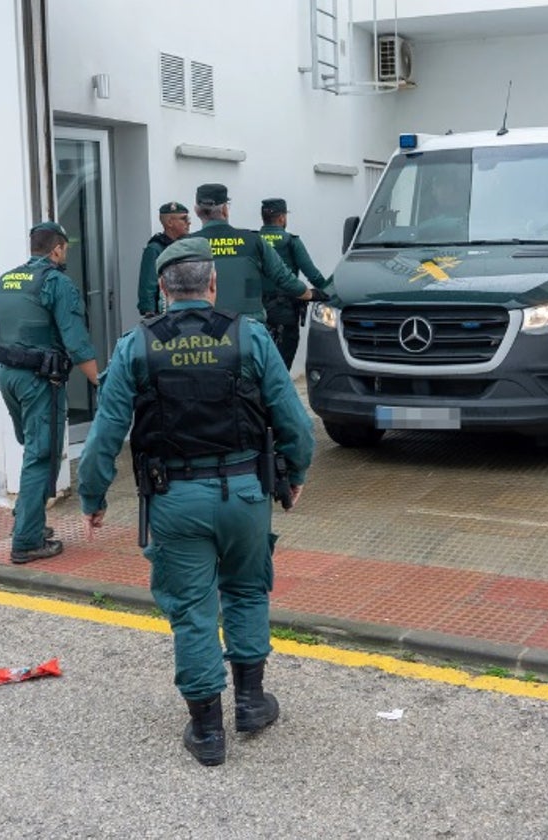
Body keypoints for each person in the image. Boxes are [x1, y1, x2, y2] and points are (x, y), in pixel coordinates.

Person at [77, 238, 315, 766]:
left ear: (162, 289)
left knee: (191, 609)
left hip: (174, 499)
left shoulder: (133, 346)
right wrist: (294, 474)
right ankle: (251, 702)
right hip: (246, 493)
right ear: (212, 285)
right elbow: (294, 422)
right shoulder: (250, 338)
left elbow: (105, 435)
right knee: (248, 591)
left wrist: (93, 496)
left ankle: (207, 731)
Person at [0, 220, 99, 562]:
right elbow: (77, 343)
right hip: (39, 380)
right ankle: (26, 541)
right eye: (65, 248)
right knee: (41, 454)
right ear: (56, 249)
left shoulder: (6, 280)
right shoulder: (56, 283)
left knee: (32, 448)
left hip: (7, 373)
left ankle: (26, 519)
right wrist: (103, 382)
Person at [186, 183, 321, 322]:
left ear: (196, 211)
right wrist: (309, 294)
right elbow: (283, 277)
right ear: (225, 210)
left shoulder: (185, 245)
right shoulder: (253, 241)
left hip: (203, 327)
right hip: (247, 328)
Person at [258, 198, 332, 369]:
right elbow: (312, 273)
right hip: (285, 312)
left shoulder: (253, 240)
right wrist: (329, 292)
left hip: (258, 311)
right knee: (283, 364)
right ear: (282, 218)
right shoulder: (291, 241)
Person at [137, 200, 191, 317]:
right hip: (166, 314)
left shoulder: (187, 246)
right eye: (184, 219)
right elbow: (148, 285)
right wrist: (149, 313)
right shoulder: (155, 249)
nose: (189, 222)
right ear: (170, 222)